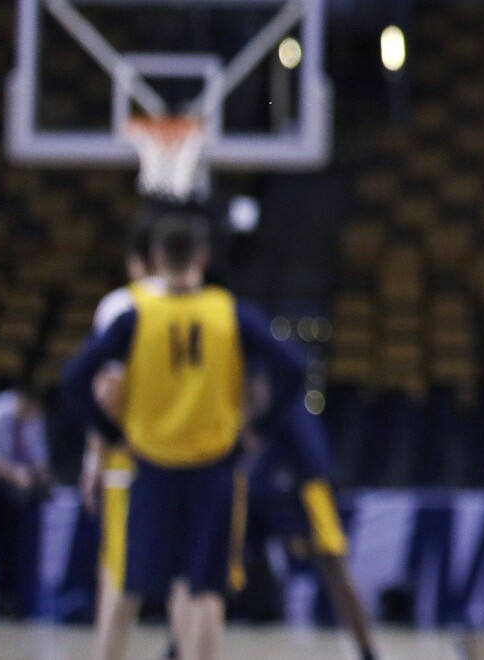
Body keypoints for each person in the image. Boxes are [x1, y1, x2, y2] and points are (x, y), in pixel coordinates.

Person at [62, 214, 306, 660]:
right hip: (213, 465)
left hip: (150, 466)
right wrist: (258, 431)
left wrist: (109, 435)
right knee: (204, 587)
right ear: (202, 257)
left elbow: (77, 380)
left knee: (123, 582)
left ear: (156, 259)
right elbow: (293, 368)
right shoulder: (230, 312)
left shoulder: (135, 313)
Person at [247, 395, 380, 660]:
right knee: (214, 564)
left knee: (335, 569)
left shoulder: (287, 391)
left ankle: (368, 651)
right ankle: (183, 640)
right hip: (260, 481)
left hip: (305, 487)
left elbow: (316, 462)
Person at [79, 220, 158, 660]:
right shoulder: (208, 304)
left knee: (117, 572)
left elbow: (106, 389)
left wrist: (94, 458)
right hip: (191, 457)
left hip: (130, 456)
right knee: (192, 583)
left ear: (135, 261)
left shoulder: (121, 306)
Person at [0, 378, 50, 617]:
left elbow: (39, 458)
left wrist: (40, 475)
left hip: (16, 490)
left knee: (21, 539)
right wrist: (16, 474)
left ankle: (17, 599)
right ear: (20, 401)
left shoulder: (32, 417)